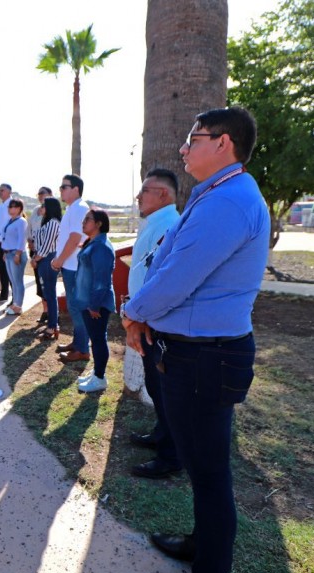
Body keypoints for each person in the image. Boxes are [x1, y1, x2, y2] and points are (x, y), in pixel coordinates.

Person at [122, 107, 269, 573]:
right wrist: (141, 311)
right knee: (201, 465)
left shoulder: (228, 202)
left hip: (205, 358)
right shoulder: (217, 195)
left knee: (209, 473)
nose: (184, 148)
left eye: (194, 139)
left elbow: (180, 276)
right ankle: (201, 545)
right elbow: (168, 262)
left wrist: (134, 312)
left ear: (223, 143)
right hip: (195, 353)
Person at [126, 169, 183, 480]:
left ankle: (172, 456)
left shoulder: (171, 225)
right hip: (146, 320)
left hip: (156, 322)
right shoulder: (155, 223)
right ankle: (162, 433)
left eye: (145, 190)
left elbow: (163, 280)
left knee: (165, 391)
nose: (138, 196)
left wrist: (142, 314)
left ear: (163, 195)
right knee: (155, 385)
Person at [72, 209, 115, 392]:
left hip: (95, 304)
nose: (83, 222)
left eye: (87, 219)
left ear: (98, 223)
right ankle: (97, 372)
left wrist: (94, 304)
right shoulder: (93, 242)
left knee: (98, 339)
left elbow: (102, 279)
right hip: (87, 301)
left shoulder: (101, 247)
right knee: (95, 338)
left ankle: (99, 378)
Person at [50, 175, 90, 364]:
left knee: (77, 308)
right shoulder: (73, 209)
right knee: (75, 307)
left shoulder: (80, 208)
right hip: (70, 266)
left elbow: (75, 238)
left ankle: (82, 349)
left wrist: (59, 260)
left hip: (74, 267)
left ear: (76, 189)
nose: (61, 190)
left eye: (64, 187)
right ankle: (78, 343)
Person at [29, 196, 62, 340]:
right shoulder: (46, 223)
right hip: (44, 259)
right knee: (48, 294)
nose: (40, 208)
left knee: (50, 294)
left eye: (43, 205)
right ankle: (53, 324)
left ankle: (52, 326)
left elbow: (46, 247)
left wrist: (35, 259)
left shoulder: (53, 223)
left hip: (48, 260)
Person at [28, 187, 52, 323]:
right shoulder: (35, 210)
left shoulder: (52, 211)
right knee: (39, 283)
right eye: (39, 193)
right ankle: (45, 311)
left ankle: (53, 314)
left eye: (44, 193)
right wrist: (30, 240)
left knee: (48, 283)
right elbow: (29, 227)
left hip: (46, 253)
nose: (41, 195)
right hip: (35, 250)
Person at [0, 198, 28, 316]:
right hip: (8, 253)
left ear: (20, 209)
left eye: (15, 207)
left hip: (16, 253)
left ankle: (18, 306)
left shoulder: (21, 221)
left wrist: (18, 254)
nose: (12, 209)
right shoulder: (10, 220)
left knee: (18, 281)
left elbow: (22, 239)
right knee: (13, 281)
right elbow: (6, 238)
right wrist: (4, 253)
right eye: (10, 207)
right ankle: (15, 303)